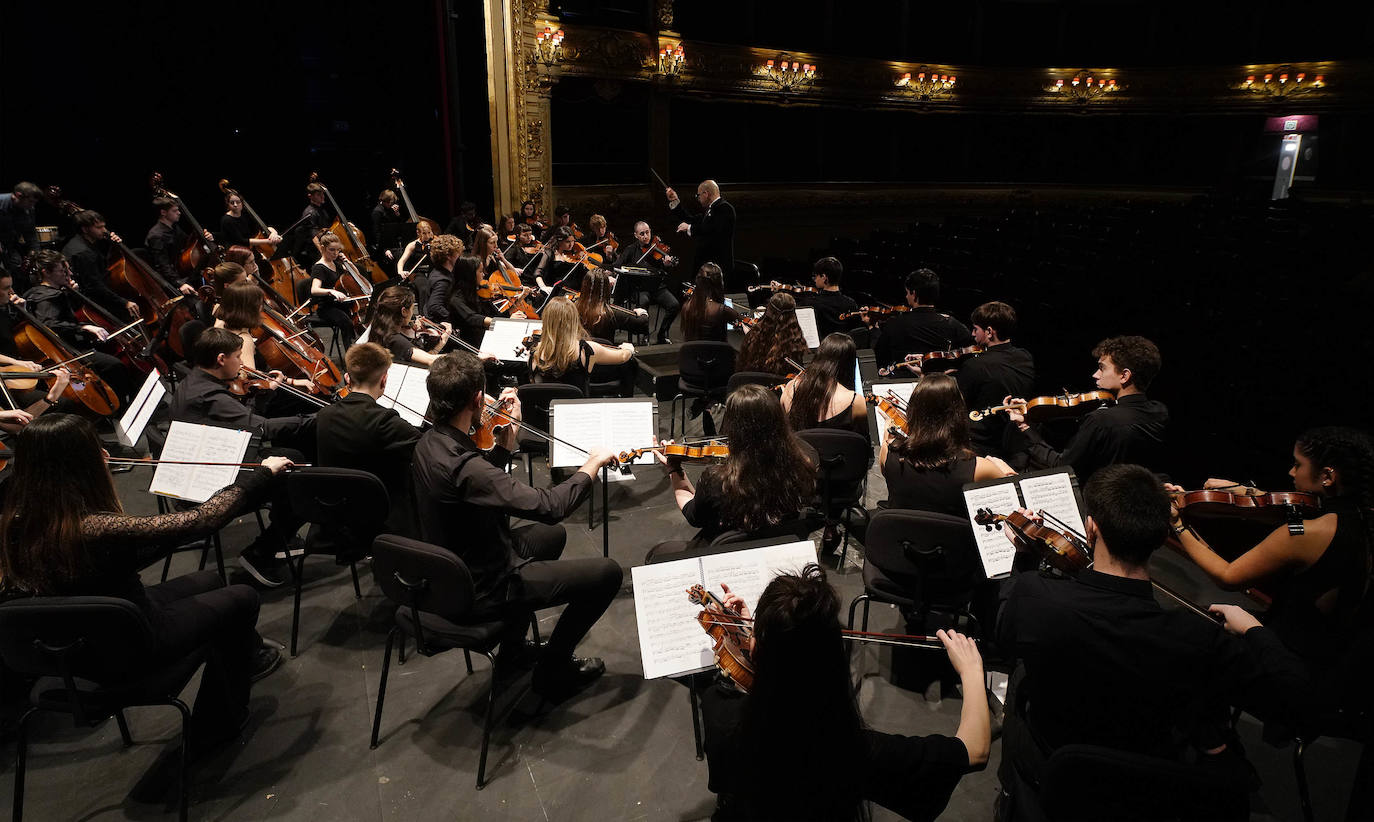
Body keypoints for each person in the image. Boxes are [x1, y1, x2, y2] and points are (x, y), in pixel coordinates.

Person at [995, 463, 1310, 819]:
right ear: (1163, 539)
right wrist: (1254, 628)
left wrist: (1022, 559)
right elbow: (1294, 697)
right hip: (1147, 785)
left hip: (1051, 765)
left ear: (1091, 528)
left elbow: (1006, 635)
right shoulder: (1200, 639)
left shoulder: (1036, 597)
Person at [0, 413, 287, 751]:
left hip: (76, 641)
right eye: (97, 449)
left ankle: (243, 659)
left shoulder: (17, 522)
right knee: (242, 598)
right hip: (131, 644)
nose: (106, 455)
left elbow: (146, 545)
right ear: (81, 463)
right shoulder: (96, 528)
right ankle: (218, 723)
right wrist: (260, 475)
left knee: (209, 579)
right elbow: (204, 520)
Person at [700, 564, 989, 822]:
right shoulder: (855, 750)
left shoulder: (720, 712)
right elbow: (974, 751)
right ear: (834, 659)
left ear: (755, 649)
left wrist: (763, 636)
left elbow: (775, 692)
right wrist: (972, 672)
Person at [411, 351, 623, 702]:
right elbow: (551, 506)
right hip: (483, 588)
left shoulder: (428, 443)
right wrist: (591, 465)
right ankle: (553, 670)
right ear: (478, 399)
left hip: (454, 563)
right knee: (607, 574)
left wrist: (505, 445)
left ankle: (513, 650)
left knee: (550, 537)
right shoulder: (466, 467)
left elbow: (476, 491)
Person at [1169, 427, 1374, 674]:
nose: (1291, 472)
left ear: (1327, 476)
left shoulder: (1307, 533)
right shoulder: (1360, 522)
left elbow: (1227, 576)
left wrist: (1178, 525)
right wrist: (1240, 490)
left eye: (1298, 465)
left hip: (1283, 661)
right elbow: (1278, 501)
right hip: (1327, 658)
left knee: (1179, 629)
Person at [169, 327, 316, 586]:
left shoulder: (194, 379)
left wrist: (269, 389)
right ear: (221, 359)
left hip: (208, 454)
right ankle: (261, 553)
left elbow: (244, 420)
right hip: (206, 477)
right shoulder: (210, 396)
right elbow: (260, 427)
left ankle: (283, 532)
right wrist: (311, 420)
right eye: (238, 356)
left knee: (291, 456)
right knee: (299, 477)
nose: (242, 363)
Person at [651, 384, 816, 554]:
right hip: (781, 547)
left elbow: (693, 515)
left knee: (658, 552)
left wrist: (674, 468)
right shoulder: (806, 461)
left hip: (731, 552)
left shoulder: (718, 480)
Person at [1006, 335, 1167, 480]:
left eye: (1102, 368)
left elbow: (1061, 467)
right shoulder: (1159, 412)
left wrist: (1025, 427)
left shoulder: (1100, 420)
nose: (1096, 374)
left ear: (1124, 376)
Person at [316, 342, 422, 536]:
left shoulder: (324, 415)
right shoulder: (385, 421)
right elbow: (425, 448)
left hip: (335, 510)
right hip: (380, 514)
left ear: (347, 378)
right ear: (384, 380)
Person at [880, 375, 1015, 516]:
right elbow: (1015, 504)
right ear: (958, 415)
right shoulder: (981, 468)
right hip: (955, 538)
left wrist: (888, 428)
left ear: (912, 412)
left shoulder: (888, 455)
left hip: (904, 536)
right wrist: (1008, 473)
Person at [21, 250, 135, 403]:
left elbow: (65, 315)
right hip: (69, 351)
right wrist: (84, 328)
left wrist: (71, 294)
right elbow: (49, 323)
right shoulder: (45, 297)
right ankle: (121, 406)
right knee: (114, 365)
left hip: (75, 346)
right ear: (46, 273)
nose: (68, 273)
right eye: (62, 271)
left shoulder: (52, 292)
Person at [955, 301, 1035, 459]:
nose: (972, 334)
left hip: (981, 446)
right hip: (1016, 441)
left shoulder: (974, 365)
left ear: (989, 332)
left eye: (975, 329)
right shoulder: (1025, 357)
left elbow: (957, 405)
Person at [870, 268, 973, 368]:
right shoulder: (952, 324)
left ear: (914, 294)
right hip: (938, 382)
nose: (906, 297)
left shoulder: (895, 323)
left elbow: (878, 358)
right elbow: (969, 351)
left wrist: (873, 328)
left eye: (907, 292)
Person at [529, 297, 634, 394]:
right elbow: (622, 357)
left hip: (547, 411)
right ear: (574, 320)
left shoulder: (534, 354)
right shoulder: (587, 350)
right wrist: (628, 349)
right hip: (578, 410)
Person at [780, 332, 868, 440]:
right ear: (849, 364)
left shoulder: (791, 387)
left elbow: (783, 430)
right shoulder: (855, 401)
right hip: (838, 455)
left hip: (801, 455)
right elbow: (864, 441)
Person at [61, 209, 141, 321]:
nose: (104, 230)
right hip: (93, 303)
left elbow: (104, 264)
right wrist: (124, 302)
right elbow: (95, 286)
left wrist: (115, 245)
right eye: (99, 227)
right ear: (85, 229)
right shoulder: (83, 253)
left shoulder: (84, 243)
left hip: (98, 296)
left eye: (104, 226)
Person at [611, 221, 680, 344]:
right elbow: (617, 265)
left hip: (658, 287)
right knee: (643, 302)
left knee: (674, 305)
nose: (645, 236)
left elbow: (663, 269)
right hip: (640, 288)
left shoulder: (657, 249)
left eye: (647, 232)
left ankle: (662, 334)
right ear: (636, 235)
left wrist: (666, 264)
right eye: (642, 234)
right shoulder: (630, 250)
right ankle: (644, 335)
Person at [369, 285, 451, 368]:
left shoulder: (378, 325)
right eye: (412, 308)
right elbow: (429, 360)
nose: (413, 314)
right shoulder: (395, 340)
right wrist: (442, 344)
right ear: (404, 311)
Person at [666, 179, 735, 275]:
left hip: (718, 269)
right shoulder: (710, 210)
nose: (698, 198)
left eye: (698, 195)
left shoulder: (725, 208)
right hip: (707, 267)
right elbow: (690, 219)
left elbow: (712, 230)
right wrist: (675, 201)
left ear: (705, 194)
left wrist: (689, 227)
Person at [144, 196, 209, 296]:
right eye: (174, 211)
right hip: (170, 281)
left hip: (183, 273)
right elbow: (163, 266)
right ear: (163, 213)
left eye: (178, 210)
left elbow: (188, 242)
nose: (179, 213)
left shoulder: (174, 227)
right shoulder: (156, 236)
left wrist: (203, 235)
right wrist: (180, 283)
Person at [733, 292, 806, 377]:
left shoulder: (755, 335)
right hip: (781, 386)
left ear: (769, 310)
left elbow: (742, 367)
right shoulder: (795, 339)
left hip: (754, 385)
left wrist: (749, 335)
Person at [309, 231, 360, 347]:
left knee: (358, 317)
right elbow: (314, 290)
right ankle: (350, 352)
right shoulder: (319, 267)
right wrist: (331, 291)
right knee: (346, 322)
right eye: (332, 250)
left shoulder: (336, 263)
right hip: (327, 307)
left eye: (338, 250)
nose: (336, 253)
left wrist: (348, 263)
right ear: (323, 248)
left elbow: (356, 276)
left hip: (341, 303)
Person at [790, 256, 858, 340]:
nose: (815, 279)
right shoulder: (851, 304)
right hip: (844, 350)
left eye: (816, 276)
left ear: (824, 277)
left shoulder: (812, 304)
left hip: (821, 351)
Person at [575, 267, 648, 342]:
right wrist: (643, 313)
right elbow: (641, 324)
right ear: (607, 289)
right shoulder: (610, 314)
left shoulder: (573, 308)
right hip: (606, 352)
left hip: (578, 351)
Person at [680, 263, 745, 343]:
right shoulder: (722, 310)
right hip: (717, 354)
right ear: (719, 283)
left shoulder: (686, 307)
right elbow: (747, 321)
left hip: (691, 354)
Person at [0, 181, 42, 287]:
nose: (32, 206)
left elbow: (31, 234)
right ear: (18, 195)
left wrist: (35, 253)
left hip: (10, 247)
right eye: (30, 202)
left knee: (19, 272)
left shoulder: (29, 209)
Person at [219, 190, 281, 257]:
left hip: (251, 249)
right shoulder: (227, 220)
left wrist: (273, 233)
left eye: (238, 202)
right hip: (238, 253)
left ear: (242, 203)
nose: (235, 205)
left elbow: (262, 226)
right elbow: (242, 241)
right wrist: (267, 241)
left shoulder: (246, 214)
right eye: (232, 202)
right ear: (228, 205)